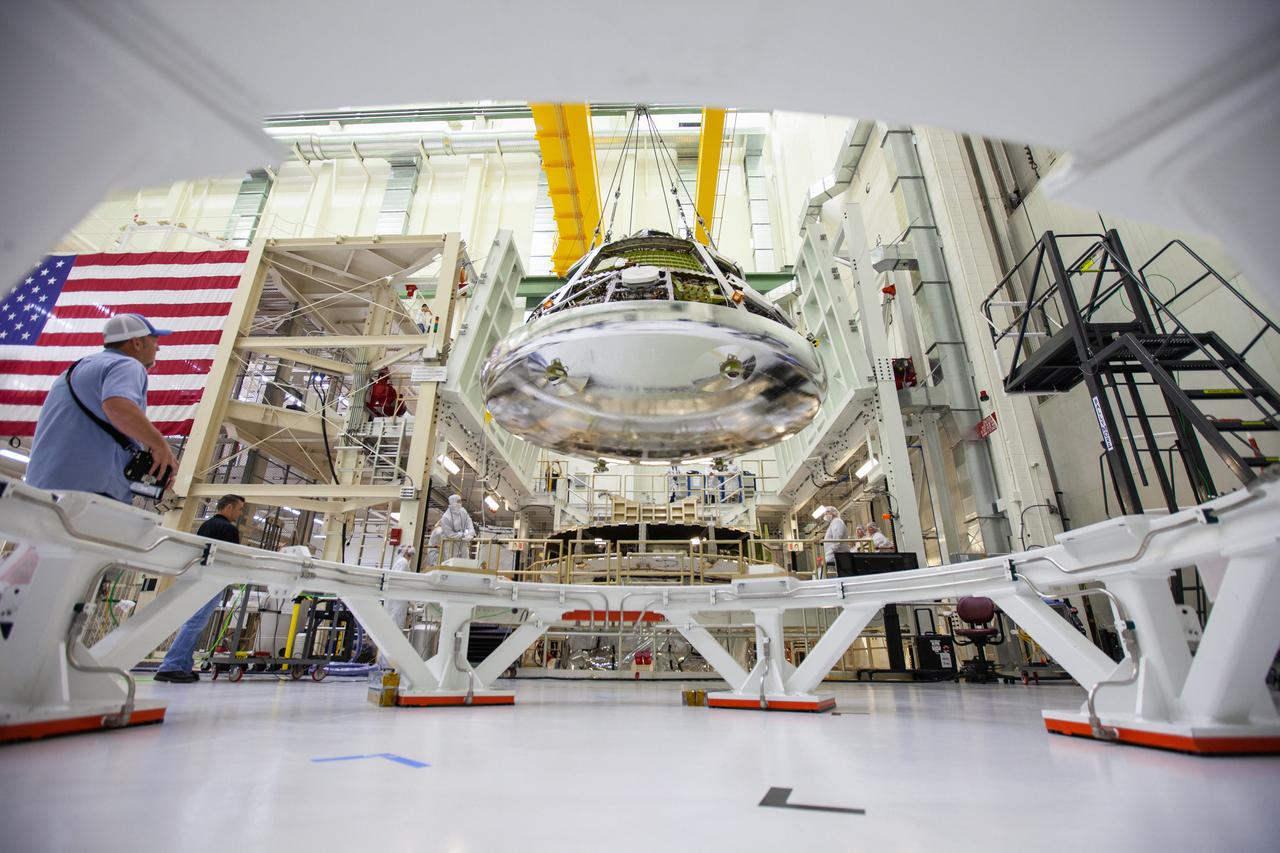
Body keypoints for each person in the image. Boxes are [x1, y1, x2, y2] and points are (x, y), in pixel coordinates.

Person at [26, 313, 180, 502]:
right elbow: (118, 406)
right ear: (137, 343)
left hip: (40, 485)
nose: (158, 347)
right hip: (89, 492)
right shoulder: (127, 364)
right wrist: (160, 445)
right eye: (154, 341)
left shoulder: (74, 370)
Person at [153, 494, 246, 683]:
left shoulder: (207, 525)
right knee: (195, 623)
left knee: (195, 623)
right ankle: (170, 666)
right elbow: (232, 558)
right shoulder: (228, 529)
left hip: (198, 578)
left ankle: (183, 666)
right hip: (211, 581)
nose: (240, 513)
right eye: (239, 509)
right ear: (228, 508)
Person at [377, 544, 416, 668]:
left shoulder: (400, 562)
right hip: (397, 604)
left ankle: (388, 664)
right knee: (394, 632)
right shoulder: (403, 563)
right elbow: (400, 583)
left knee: (392, 632)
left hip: (397, 603)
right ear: (407, 553)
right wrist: (411, 599)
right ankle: (388, 665)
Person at [439, 494, 476, 561]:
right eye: (458, 501)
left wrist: (470, 533)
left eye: (460, 501)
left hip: (462, 542)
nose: (460, 503)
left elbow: (469, 522)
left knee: (465, 561)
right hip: (451, 544)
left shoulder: (463, 511)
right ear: (453, 502)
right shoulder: (446, 517)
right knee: (452, 562)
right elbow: (449, 534)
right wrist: (461, 535)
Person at [821, 507, 851, 578]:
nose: (825, 514)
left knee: (826, 574)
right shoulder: (833, 523)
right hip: (833, 554)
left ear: (833, 513)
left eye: (827, 512)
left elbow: (837, 539)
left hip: (837, 554)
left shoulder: (837, 522)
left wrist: (831, 552)